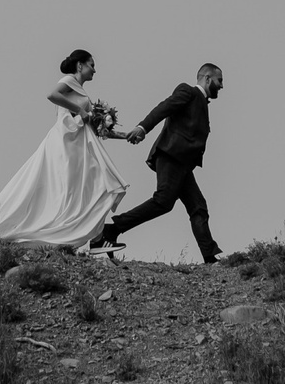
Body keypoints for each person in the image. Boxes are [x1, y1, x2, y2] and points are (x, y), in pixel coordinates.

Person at [0, 50, 131, 247]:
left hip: (78, 145)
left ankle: (94, 237)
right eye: (91, 65)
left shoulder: (81, 90)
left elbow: (94, 128)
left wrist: (124, 135)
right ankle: (92, 238)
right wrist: (79, 110)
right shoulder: (69, 80)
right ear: (80, 65)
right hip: (66, 142)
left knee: (90, 185)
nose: (95, 70)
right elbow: (51, 94)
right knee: (83, 186)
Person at [88, 62, 223, 262]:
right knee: (163, 201)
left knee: (198, 207)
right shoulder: (188, 91)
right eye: (219, 80)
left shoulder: (201, 103)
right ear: (207, 78)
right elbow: (164, 108)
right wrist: (143, 128)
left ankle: (210, 257)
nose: (221, 86)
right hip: (171, 157)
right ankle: (111, 230)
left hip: (183, 164)